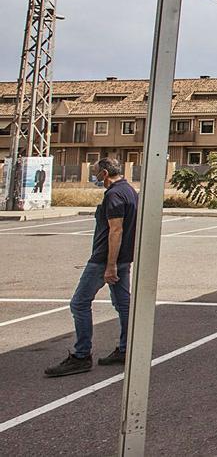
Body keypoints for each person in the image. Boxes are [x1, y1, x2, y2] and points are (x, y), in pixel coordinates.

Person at [44, 157, 137, 377]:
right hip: (123, 258)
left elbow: (116, 230)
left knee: (79, 303)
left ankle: (81, 356)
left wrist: (110, 265)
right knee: (123, 305)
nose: (94, 176)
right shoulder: (130, 191)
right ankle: (126, 348)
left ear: (104, 173)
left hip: (105, 259)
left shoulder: (114, 195)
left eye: (96, 173)